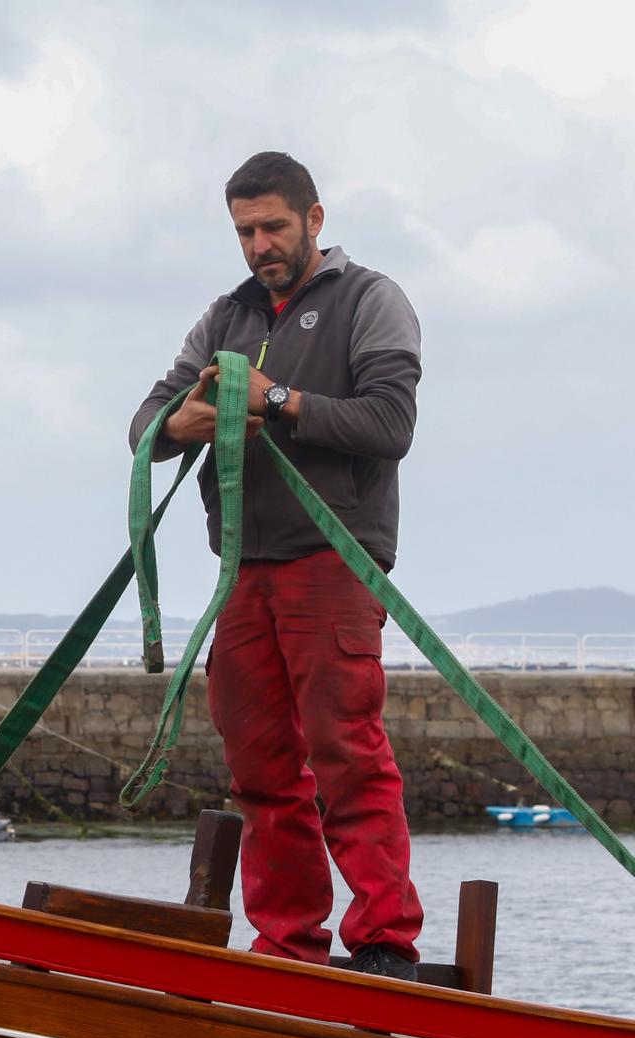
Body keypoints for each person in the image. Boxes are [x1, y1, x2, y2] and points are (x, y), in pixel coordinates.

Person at [128, 151, 424, 980]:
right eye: (245, 231)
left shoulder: (372, 300)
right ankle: (287, 944)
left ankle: (384, 943)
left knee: (346, 751)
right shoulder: (225, 317)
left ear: (315, 220)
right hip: (245, 570)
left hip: (334, 558)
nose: (260, 244)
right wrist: (185, 421)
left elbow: (389, 421)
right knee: (259, 764)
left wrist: (278, 401)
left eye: (274, 227)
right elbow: (145, 424)